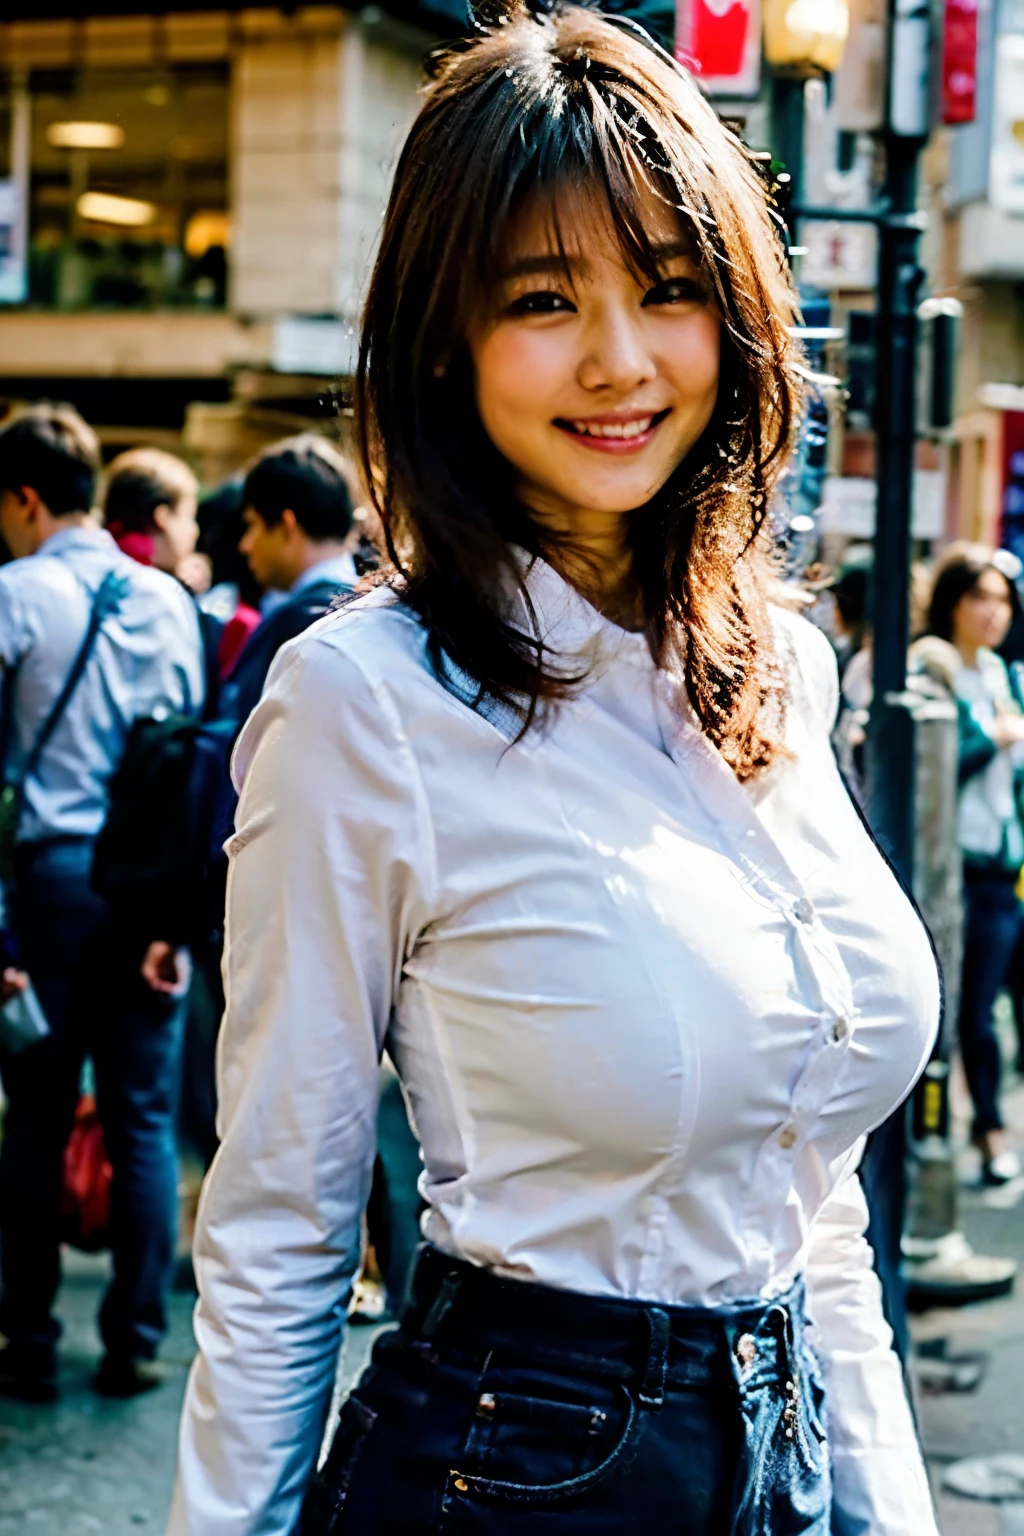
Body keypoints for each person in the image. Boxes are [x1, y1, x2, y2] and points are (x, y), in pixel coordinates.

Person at [170, 9, 940, 1534]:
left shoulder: (780, 664)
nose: (619, 360)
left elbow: (808, 1194)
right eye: (543, 298)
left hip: (786, 1451)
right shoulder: (365, 702)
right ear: (447, 338)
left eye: (668, 289)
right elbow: (280, 1224)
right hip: (514, 1468)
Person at [0, 404, 205, 1402]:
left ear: (24, 497)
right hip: (146, 896)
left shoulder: (15, 596)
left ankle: (28, 1338)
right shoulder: (169, 602)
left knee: (36, 1117)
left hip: (47, 888)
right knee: (143, 1119)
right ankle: (134, 1338)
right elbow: (187, 762)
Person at [925, 542, 1024, 1185]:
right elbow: (933, 770)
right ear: (954, 604)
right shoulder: (931, 672)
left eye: (1003, 600)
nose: (994, 612)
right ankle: (986, 1132)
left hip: (1009, 866)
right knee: (975, 1011)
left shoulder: (1006, 678)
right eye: (980, 598)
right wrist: (992, 737)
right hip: (956, 871)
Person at [217, 434, 358, 731]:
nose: (245, 544)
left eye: (253, 525)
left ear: (286, 526)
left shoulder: (296, 624)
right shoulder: (376, 612)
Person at [102, 446, 208, 595]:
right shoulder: (150, 590)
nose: (195, 531)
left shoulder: (101, 561)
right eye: (189, 516)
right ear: (163, 517)